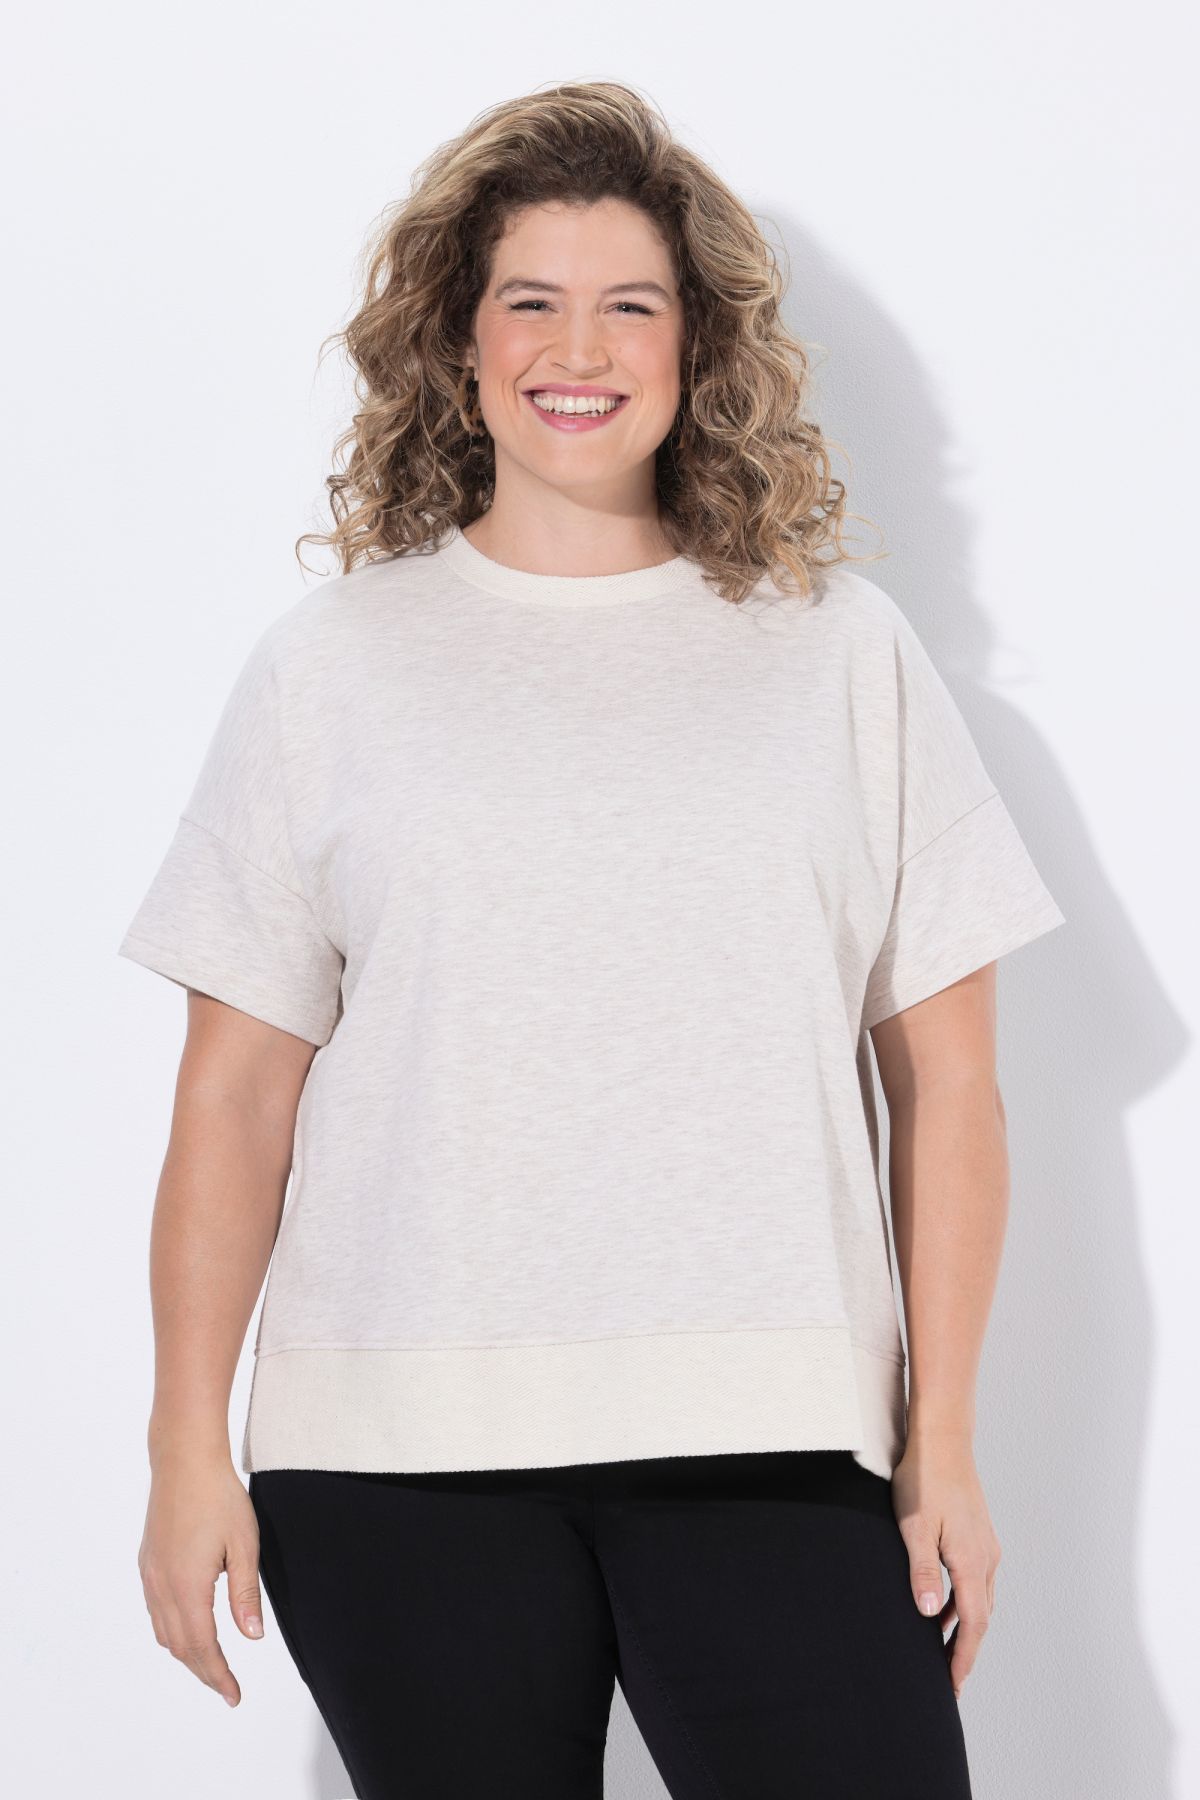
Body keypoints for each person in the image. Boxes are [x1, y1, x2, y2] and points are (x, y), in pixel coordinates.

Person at [119, 80, 1066, 1800]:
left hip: (775, 1429)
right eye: (530, 302)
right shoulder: (332, 668)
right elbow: (235, 1096)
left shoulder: (838, 653)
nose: (579, 349)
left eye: (630, 303)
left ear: (698, 342)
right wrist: (189, 1445)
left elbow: (948, 1082)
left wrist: (946, 1436)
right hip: (394, 1452)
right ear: (459, 341)